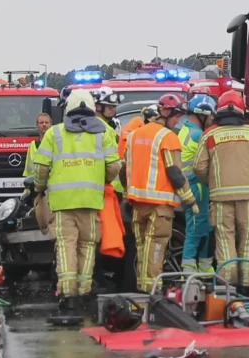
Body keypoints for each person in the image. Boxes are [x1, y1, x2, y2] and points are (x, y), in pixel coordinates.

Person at [32, 89, 121, 316]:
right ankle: (84, 292)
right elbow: (113, 167)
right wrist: (100, 180)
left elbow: (41, 169)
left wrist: (39, 187)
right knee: (87, 245)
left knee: (65, 245)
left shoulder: (54, 133)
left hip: (62, 202)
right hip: (91, 200)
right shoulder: (104, 133)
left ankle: (68, 296)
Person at [194, 90, 249, 295]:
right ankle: (247, 286)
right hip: (248, 196)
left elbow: (199, 166)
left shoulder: (209, 135)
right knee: (247, 238)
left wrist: (212, 181)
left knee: (225, 239)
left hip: (220, 197)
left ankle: (228, 287)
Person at [124, 93, 197, 292]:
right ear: (166, 113)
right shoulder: (168, 137)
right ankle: (152, 292)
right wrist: (190, 200)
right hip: (160, 204)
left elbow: (125, 169)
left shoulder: (134, 135)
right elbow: (175, 172)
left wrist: (127, 194)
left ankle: (142, 288)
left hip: (138, 203)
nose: (178, 121)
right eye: (176, 116)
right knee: (155, 247)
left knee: (141, 248)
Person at [178, 94, 217, 273]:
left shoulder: (185, 130)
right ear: (202, 114)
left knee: (204, 227)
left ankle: (204, 267)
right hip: (196, 186)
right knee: (196, 228)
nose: (211, 120)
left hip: (191, 186)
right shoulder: (198, 135)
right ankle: (189, 270)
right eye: (210, 116)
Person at [92, 87, 125, 200]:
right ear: (98, 106)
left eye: (114, 107)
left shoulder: (111, 126)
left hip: (111, 187)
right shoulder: (100, 127)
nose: (113, 110)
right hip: (104, 187)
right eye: (110, 106)